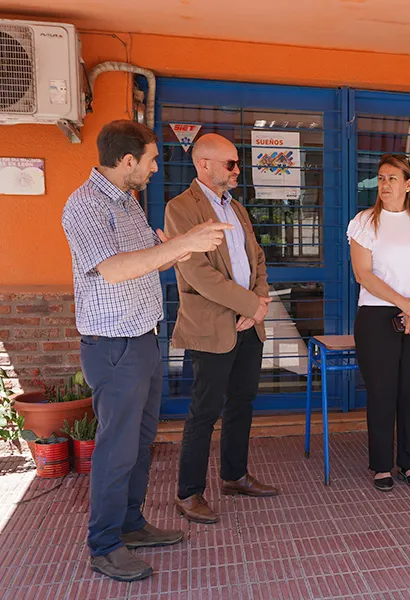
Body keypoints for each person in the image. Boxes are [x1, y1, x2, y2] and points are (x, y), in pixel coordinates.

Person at [62, 120, 232, 581]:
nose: (158, 167)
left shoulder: (129, 203)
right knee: (116, 448)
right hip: (113, 345)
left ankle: (131, 524)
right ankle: (104, 545)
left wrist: (173, 252)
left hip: (142, 337)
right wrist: (183, 243)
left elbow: (142, 263)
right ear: (128, 160)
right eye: (153, 159)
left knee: (138, 443)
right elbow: (114, 270)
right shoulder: (85, 205)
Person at [165, 134, 278, 525]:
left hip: (248, 324)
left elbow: (257, 258)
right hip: (213, 325)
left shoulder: (237, 208)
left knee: (241, 404)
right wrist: (250, 305)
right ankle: (188, 492)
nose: (237, 170)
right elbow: (197, 272)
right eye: (230, 163)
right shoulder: (180, 208)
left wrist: (259, 304)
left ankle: (233, 476)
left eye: (236, 163)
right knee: (205, 409)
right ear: (204, 165)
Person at [348, 153, 410, 491]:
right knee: (382, 392)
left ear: (408, 184)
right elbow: (363, 273)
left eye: (391, 178)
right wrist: (404, 304)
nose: (384, 184)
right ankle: (382, 466)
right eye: (381, 178)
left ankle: (409, 463)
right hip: (377, 315)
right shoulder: (364, 221)